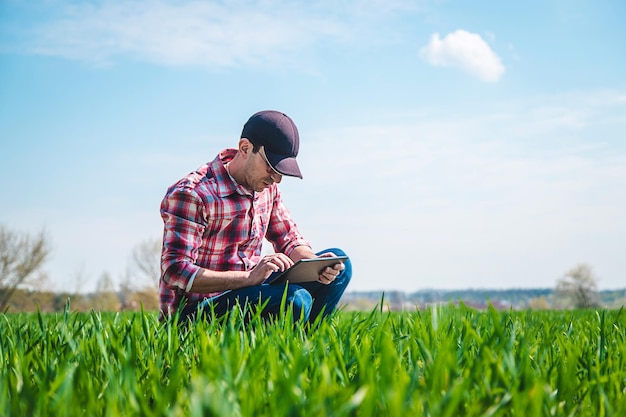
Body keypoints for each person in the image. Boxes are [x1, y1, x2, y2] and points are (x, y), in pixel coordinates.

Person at [158, 110, 352, 323]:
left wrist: (314, 263)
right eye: (271, 167)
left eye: (281, 171)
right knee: (295, 300)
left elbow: (289, 239)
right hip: (196, 312)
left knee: (339, 266)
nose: (276, 179)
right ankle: (289, 347)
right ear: (245, 148)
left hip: (248, 293)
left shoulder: (266, 189)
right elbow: (175, 271)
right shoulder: (192, 193)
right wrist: (249, 278)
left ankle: (302, 347)